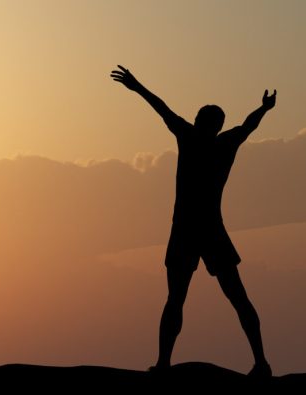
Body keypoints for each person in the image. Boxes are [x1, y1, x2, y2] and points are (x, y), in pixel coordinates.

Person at [111, 65, 275, 377]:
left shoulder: (191, 137)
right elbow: (248, 125)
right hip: (202, 230)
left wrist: (137, 87)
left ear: (206, 123)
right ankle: (256, 363)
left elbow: (163, 109)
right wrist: (263, 109)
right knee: (200, 298)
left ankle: (256, 363)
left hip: (195, 230)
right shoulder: (222, 142)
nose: (199, 123)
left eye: (203, 120)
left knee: (200, 298)